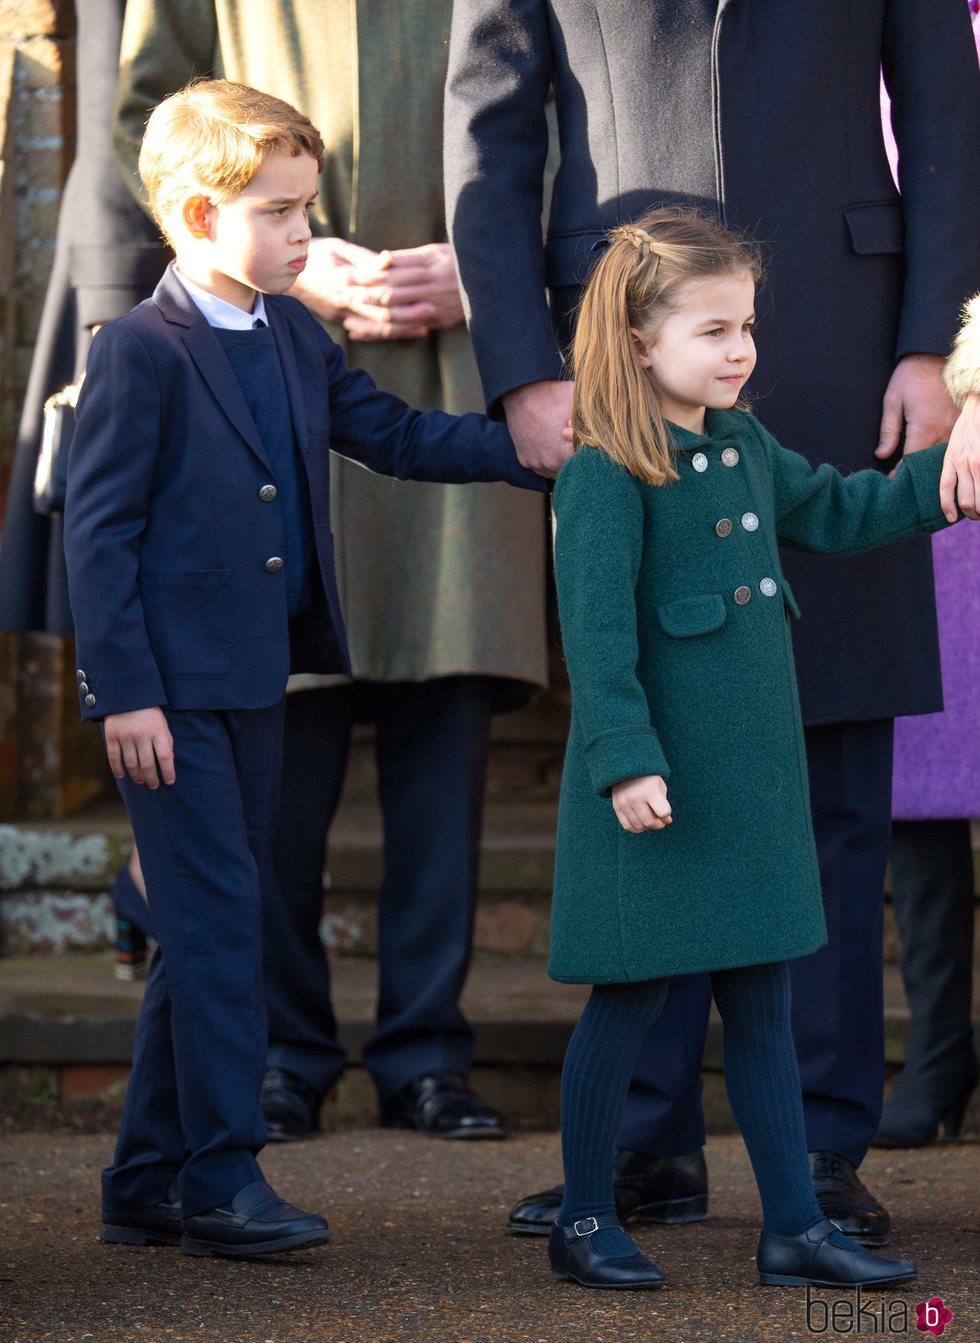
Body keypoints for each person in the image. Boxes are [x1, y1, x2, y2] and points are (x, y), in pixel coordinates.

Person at [445, 0, 980, 1241]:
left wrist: (932, 353)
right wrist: (524, 361)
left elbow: (948, 122)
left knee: (837, 776)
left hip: (855, 347)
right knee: (662, 742)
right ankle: (644, 1147)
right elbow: (489, 129)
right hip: (622, 350)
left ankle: (826, 1152)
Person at [63, 79, 546, 1258]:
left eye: (305, 208)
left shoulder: (290, 331)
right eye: (280, 212)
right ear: (194, 213)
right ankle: (221, 1175)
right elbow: (98, 536)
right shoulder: (135, 352)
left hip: (258, 683)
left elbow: (388, 433)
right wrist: (123, 691)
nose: (304, 233)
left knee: (199, 927)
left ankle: (143, 1176)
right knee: (226, 925)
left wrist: (531, 448)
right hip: (167, 699)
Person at [547, 205, 970, 1292]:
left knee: (767, 1003)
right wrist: (623, 760)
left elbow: (837, 510)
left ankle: (792, 1225)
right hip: (654, 783)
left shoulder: (740, 445)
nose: (739, 349)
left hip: (748, 783)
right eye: (712, 329)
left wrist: (945, 481)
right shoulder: (604, 469)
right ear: (639, 340)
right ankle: (585, 1216)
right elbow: (594, 639)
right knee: (628, 996)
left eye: (745, 326)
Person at [0, 0, 166, 978]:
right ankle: (158, 881)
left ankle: (164, 888)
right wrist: (113, 306)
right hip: (142, 265)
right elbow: (118, 90)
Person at [880, 290, 980, 1148]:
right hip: (903, 442)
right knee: (917, 771)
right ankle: (939, 1047)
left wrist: (978, 387)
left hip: (970, 405)